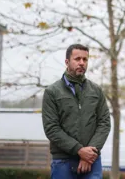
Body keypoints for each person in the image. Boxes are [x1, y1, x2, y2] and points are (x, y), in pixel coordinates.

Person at [42, 44, 111, 179]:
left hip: (92, 161)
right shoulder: (52, 92)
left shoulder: (96, 91)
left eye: (85, 60)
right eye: (77, 59)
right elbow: (51, 128)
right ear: (67, 62)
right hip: (63, 162)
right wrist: (79, 150)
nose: (81, 63)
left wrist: (89, 153)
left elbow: (104, 123)